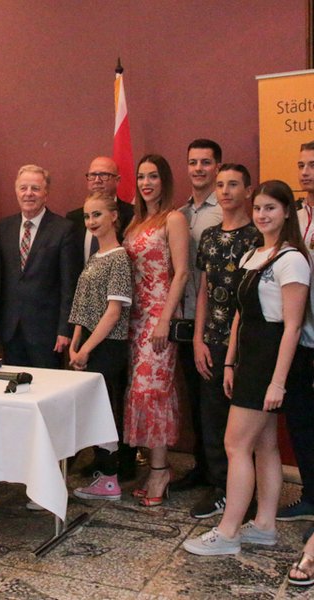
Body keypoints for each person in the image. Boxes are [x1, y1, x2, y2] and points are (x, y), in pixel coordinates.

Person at [184, 180, 310, 556]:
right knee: (264, 445)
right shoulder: (252, 254)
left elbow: (292, 327)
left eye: (271, 208)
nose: (262, 215)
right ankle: (265, 526)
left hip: (269, 359)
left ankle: (228, 532)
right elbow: (240, 315)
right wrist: (229, 362)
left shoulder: (292, 260)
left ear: (286, 212)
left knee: (235, 444)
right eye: (258, 208)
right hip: (246, 357)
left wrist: (277, 382)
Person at [190, 165, 261, 519]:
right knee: (213, 417)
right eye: (220, 185)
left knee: (244, 425)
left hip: (246, 341)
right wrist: (198, 339)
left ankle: (247, 495)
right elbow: (203, 291)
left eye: (233, 184)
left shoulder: (256, 237)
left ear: (248, 190)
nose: (226, 191)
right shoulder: (209, 236)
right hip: (211, 340)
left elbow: (251, 298)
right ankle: (222, 488)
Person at [123, 154, 189, 506]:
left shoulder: (173, 219)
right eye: (141, 177)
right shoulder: (136, 222)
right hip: (134, 318)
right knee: (139, 392)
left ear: (165, 180)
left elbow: (182, 272)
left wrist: (165, 318)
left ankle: (161, 471)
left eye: (153, 176)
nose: (146, 183)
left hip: (158, 317)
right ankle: (154, 466)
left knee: (154, 392)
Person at [66, 192, 132, 500]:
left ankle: (109, 479)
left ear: (114, 216)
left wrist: (87, 349)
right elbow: (82, 306)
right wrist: (75, 343)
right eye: (87, 216)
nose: (91, 221)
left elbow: (113, 312)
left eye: (97, 215)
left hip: (108, 345)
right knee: (91, 411)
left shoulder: (119, 257)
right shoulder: (95, 257)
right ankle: (103, 475)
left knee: (101, 411)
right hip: (89, 343)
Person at [173, 139, 223, 492]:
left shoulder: (226, 210)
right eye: (193, 162)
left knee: (216, 404)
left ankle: (222, 480)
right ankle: (202, 469)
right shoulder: (181, 213)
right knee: (194, 400)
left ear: (217, 166)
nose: (199, 169)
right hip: (186, 317)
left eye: (206, 162)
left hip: (215, 323)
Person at [0, 164, 81, 368]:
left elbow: (69, 285)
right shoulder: (4, 227)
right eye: (23, 188)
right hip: (11, 330)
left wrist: (64, 329)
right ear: (16, 191)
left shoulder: (63, 229)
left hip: (47, 333)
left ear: (46, 193)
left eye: (35, 188)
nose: (28, 193)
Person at [277, 140, 314, 524]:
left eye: (312, 165)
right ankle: (309, 494)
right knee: (301, 420)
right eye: (301, 165)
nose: (305, 172)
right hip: (299, 337)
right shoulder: (295, 218)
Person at [66, 156, 134, 263]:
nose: (97, 180)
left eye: (104, 175)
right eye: (93, 175)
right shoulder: (73, 219)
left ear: (117, 180)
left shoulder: (133, 215)